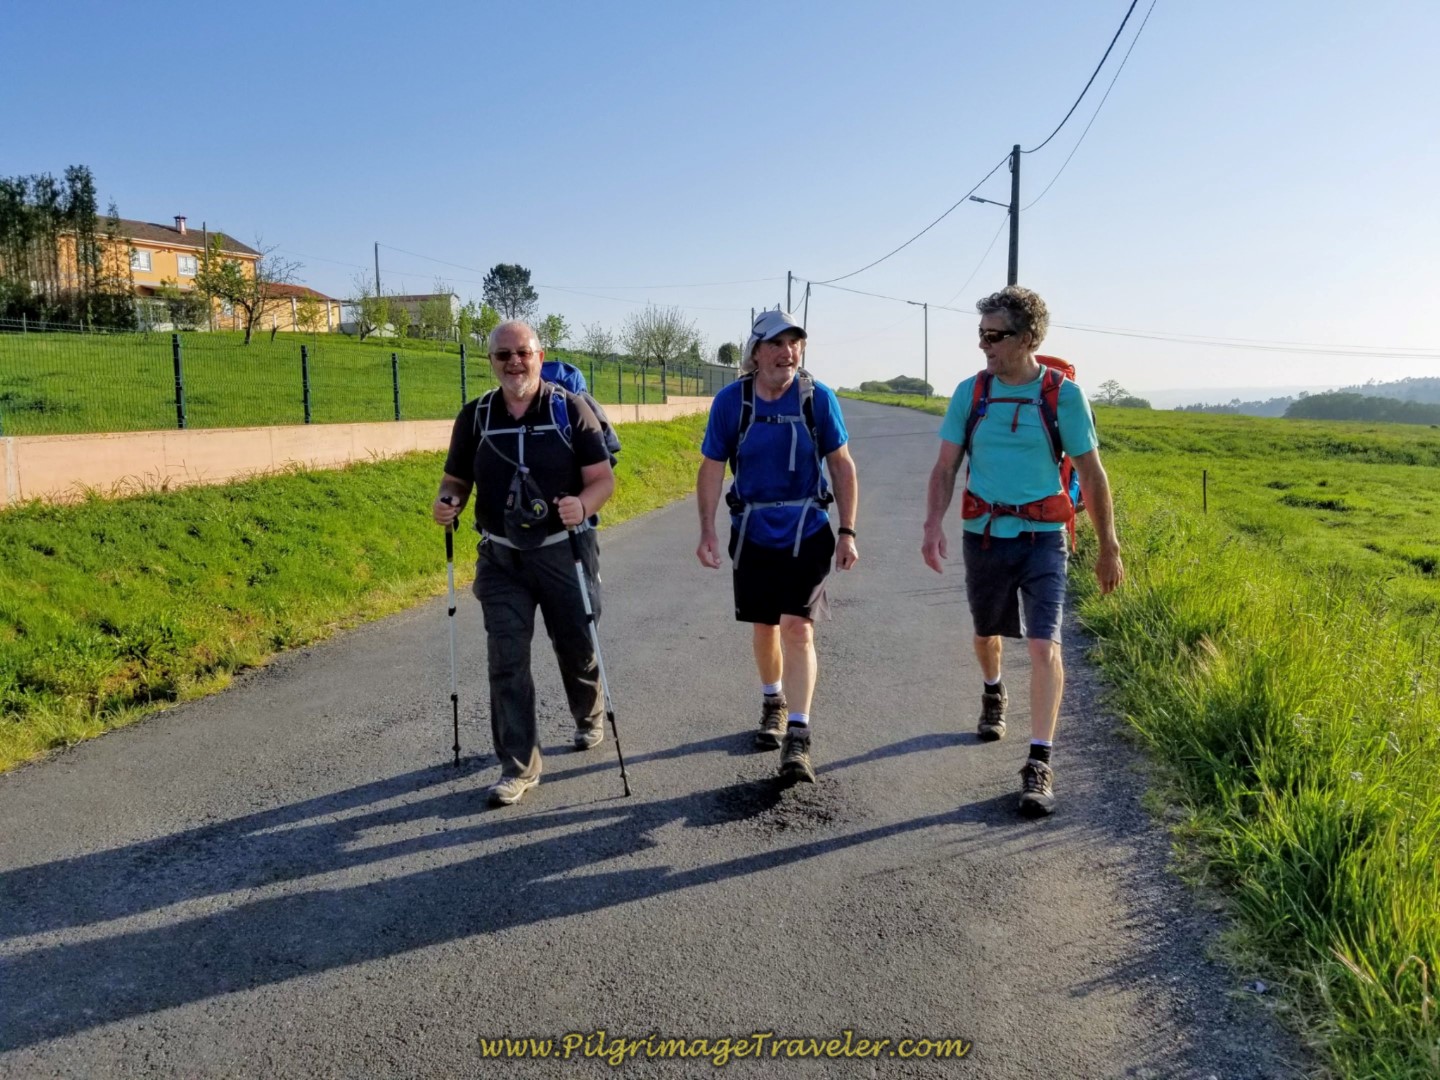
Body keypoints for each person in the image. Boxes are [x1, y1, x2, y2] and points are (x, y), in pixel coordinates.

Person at [921, 286, 1123, 817]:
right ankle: (993, 690)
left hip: (1042, 540)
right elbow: (945, 468)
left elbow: (1092, 476)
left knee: (1042, 645)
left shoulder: (1064, 396)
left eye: (996, 335)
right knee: (987, 633)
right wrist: (931, 526)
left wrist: (1109, 547)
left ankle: (1039, 762)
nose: (985, 345)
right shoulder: (971, 392)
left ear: (1029, 338)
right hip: (984, 533)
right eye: (981, 335)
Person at [433, 320, 616, 807]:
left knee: (577, 643)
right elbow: (455, 479)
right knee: (506, 658)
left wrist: (584, 505)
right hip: (500, 556)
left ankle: (589, 712)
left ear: (540, 355)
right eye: (503, 355)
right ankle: (518, 765)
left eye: (523, 353)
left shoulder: (570, 409)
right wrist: (447, 501)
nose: (514, 362)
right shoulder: (475, 416)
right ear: (490, 361)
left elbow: (602, 480)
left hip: (562, 549)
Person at [696, 310, 859, 783]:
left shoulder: (817, 399)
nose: (787, 352)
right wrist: (707, 529)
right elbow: (711, 467)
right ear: (755, 353)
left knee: (797, 628)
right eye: (776, 343)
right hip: (751, 531)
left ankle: (800, 736)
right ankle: (773, 700)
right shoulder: (732, 402)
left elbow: (842, 465)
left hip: (806, 529)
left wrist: (847, 530)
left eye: (794, 343)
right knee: (765, 626)